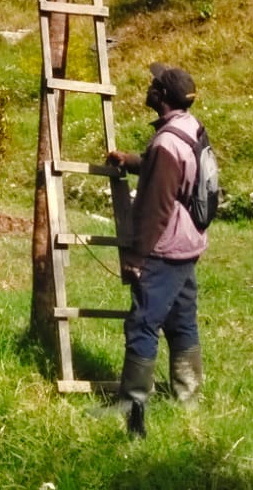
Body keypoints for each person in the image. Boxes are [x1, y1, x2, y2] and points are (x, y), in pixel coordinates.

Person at [106, 62, 207, 438]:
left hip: (164, 248)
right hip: (187, 245)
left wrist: (136, 256)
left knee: (142, 323)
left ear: (162, 97)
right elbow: (169, 171)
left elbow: (155, 207)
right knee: (182, 322)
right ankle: (188, 397)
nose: (148, 88)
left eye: (153, 86)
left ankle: (132, 405)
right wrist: (132, 161)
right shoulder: (189, 128)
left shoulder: (166, 142)